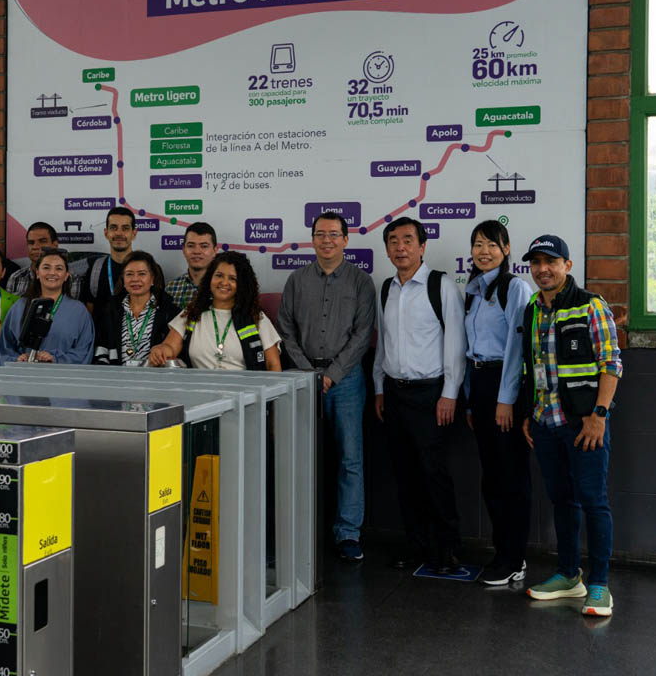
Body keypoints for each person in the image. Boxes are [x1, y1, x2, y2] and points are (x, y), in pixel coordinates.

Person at [518, 234, 622, 617]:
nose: (543, 269)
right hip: (546, 423)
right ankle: (568, 575)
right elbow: (533, 368)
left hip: (583, 424)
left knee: (594, 503)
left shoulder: (590, 305)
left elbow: (611, 364)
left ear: (567, 266)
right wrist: (531, 413)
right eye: (536, 263)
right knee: (562, 500)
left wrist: (599, 415)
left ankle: (599, 585)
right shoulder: (532, 308)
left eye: (551, 262)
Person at [276, 212, 375, 562]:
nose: (327, 240)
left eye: (334, 234)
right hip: (302, 380)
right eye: (320, 234)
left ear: (346, 240)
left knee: (350, 460)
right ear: (312, 239)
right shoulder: (297, 280)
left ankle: (348, 532)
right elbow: (284, 329)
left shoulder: (362, 282)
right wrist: (307, 372)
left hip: (346, 381)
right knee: (299, 459)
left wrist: (332, 373)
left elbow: (363, 335)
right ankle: (299, 530)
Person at [373, 217, 467, 574]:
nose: (400, 247)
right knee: (406, 476)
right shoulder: (385, 288)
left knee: (434, 475)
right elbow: (384, 343)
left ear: (422, 246)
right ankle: (417, 546)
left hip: (431, 397)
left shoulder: (440, 285)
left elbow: (456, 342)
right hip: (395, 395)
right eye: (393, 241)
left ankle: (448, 550)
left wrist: (450, 394)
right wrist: (380, 388)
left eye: (408, 240)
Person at [462, 220, 535, 585]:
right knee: (492, 476)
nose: (484, 251)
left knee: (511, 476)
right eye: (478, 244)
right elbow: (468, 348)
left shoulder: (514, 288)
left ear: (506, 249)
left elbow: (516, 349)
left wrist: (505, 401)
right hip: (480, 384)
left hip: (505, 387)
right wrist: (471, 402)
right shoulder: (473, 290)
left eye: (492, 244)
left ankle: (515, 558)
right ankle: (501, 551)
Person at [149, 251, 282, 371]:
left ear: (242, 284)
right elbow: (170, 347)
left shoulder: (256, 317)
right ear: (209, 279)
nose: (224, 282)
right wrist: (160, 350)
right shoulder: (192, 313)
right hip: (199, 393)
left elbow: (273, 365)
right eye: (219, 275)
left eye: (232, 278)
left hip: (245, 394)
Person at [0, 248, 95, 364]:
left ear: (66, 275)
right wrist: (17, 359)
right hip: (23, 376)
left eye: (59, 268)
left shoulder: (79, 311)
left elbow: (83, 352)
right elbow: (4, 349)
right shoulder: (19, 307)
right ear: (37, 273)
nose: (52, 273)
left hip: (62, 379)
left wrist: (56, 359)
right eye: (46, 267)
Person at [94, 251, 179, 365]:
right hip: (116, 379)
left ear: (152, 279)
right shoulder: (111, 310)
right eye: (129, 274)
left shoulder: (169, 312)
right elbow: (101, 349)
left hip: (156, 378)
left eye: (142, 274)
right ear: (123, 279)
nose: (135, 279)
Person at [6, 221, 85, 299]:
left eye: (42, 241)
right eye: (31, 242)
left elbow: (72, 310)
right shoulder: (16, 277)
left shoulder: (72, 279)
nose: (35, 247)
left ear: (55, 245)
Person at [86, 206, 137, 315]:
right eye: (114, 227)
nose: (119, 233)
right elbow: (89, 310)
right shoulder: (95, 269)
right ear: (106, 233)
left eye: (125, 228)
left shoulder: (148, 269)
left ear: (134, 233)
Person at [165, 221, 218, 310]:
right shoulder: (171, 288)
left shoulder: (223, 287)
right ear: (183, 249)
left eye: (204, 246)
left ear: (215, 250)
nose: (197, 251)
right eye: (191, 246)